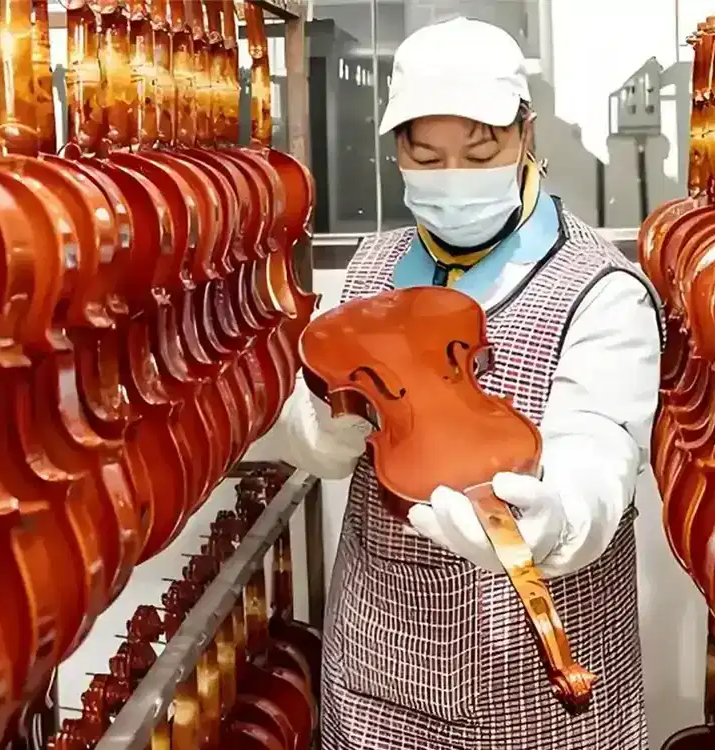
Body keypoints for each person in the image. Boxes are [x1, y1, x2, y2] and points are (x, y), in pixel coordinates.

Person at [258, 16, 661, 750]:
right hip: (379, 679)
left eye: (480, 152)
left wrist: (560, 521)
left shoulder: (601, 286)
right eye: (427, 155)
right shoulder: (369, 271)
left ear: (524, 135)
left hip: (538, 704)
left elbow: (602, 443)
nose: (453, 177)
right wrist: (318, 433)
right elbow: (311, 415)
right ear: (396, 152)